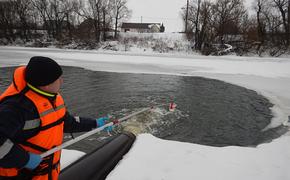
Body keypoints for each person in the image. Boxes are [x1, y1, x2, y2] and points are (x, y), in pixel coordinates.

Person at [0, 56, 112, 180]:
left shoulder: (52, 98)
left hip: (46, 172)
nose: (62, 81)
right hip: (18, 174)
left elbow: (67, 122)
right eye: (58, 79)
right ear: (46, 84)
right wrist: (24, 159)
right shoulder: (15, 107)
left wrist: (95, 123)